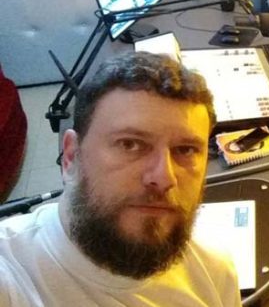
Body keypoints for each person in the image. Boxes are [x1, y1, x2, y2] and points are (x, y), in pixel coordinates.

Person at [0, 52, 241, 306]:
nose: (164, 177)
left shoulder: (214, 269)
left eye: (186, 150)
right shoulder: (13, 279)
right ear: (70, 156)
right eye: (130, 144)